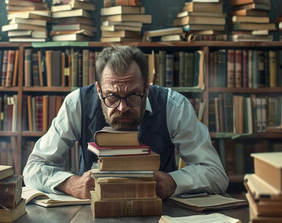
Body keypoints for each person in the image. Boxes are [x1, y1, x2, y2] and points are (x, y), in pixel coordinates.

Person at [23, 45, 228, 200]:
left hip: (160, 209)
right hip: (92, 211)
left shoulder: (174, 106)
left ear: (146, 87)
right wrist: (71, 184)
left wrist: (174, 182)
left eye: (133, 95)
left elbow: (216, 174)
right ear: (98, 90)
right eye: (111, 97)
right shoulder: (77, 103)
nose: (122, 108)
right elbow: (33, 168)